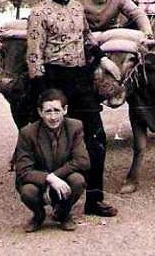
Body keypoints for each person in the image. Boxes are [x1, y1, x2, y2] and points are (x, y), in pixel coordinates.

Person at [26, 0, 121, 218]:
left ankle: (94, 199)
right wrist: (45, 96)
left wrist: (103, 58)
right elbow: (34, 56)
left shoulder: (78, 8)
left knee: (96, 138)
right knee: (57, 143)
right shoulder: (38, 13)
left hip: (80, 79)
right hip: (53, 80)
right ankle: (58, 204)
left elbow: (87, 39)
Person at [15, 89, 91, 232]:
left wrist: (55, 177)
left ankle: (63, 214)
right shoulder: (27, 133)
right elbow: (23, 171)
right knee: (27, 191)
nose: (53, 117)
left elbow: (82, 161)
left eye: (57, 110)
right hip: (38, 182)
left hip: (64, 179)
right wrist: (48, 178)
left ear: (65, 110)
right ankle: (39, 215)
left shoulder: (75, 127)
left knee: (78, 181)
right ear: (40, 112)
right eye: (48, 111)